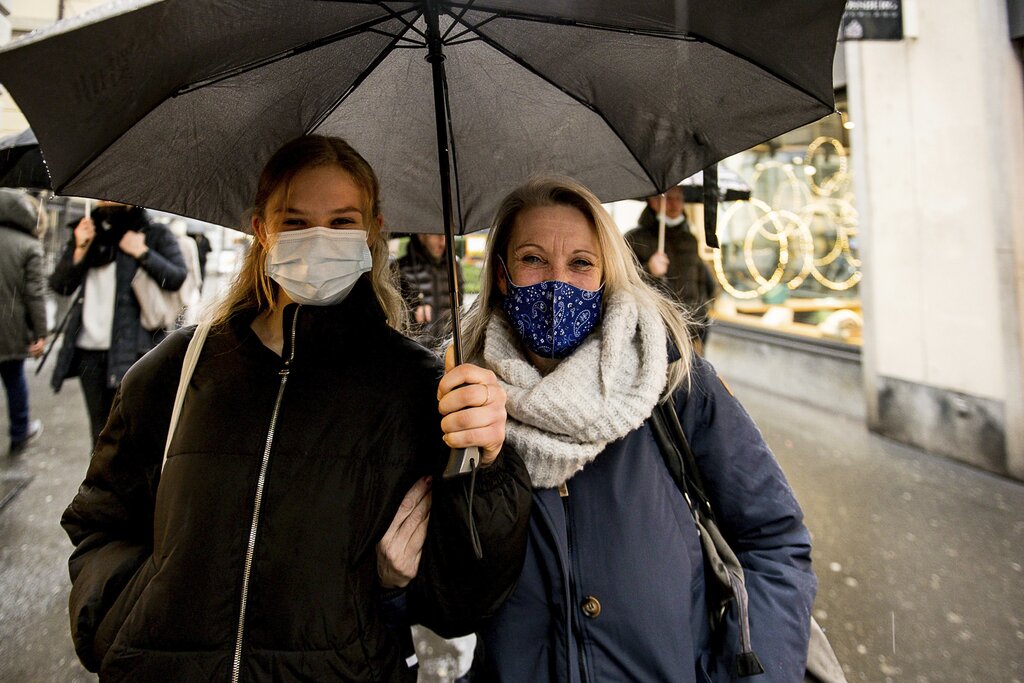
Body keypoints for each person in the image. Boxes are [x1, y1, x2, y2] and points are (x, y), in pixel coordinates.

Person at [60, 135, 532, 682]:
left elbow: (464, 598)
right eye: (294, 221)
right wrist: (123, 619)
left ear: (372, 230)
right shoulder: (177, 370)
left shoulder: (417, 389)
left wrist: (486, 467)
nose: (318, 239)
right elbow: (101, 521)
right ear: (261, 228)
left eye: (341, 222)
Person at [456, 176, 816, 682]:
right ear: (501, 275)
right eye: (533, 259)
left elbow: (773, 538)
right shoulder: (463, 401)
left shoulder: (669, 377)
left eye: (581, 263)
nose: (557, 282)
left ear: (607, 274)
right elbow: (445, 597)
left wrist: (754, 675)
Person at [49, 202, 187, 446]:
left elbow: (176, 278)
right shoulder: (87, 231)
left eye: (110, 196)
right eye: (100, 196)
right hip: (88, 352)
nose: (105, 200)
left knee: (133, 433)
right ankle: (100, 483)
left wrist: (142, 252)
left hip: (134, 350)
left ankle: (133, 482)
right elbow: (61, 285)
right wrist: (80, 247)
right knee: (100, 435)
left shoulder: (153, 233)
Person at [624, 185, 717, 345]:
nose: (674, 204)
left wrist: (702, 315)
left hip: (691, 332)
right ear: (653, 201)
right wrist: (649, 270)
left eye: (679, 198)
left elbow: (701, 282)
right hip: (655, 333)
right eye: (668, 198)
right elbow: (622, 282)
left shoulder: (690, 240)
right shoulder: (634, 239)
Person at [0, 189, 46, 456]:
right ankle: (20, 431)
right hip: (10, 325)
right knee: (14, 378)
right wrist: (41, 332)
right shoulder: (29, 246)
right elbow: (35, 293)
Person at [397, 232, 464, 349]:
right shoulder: (400, 267)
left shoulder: (453, 265)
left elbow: (461, 307)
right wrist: (413, 313)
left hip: (449, 347)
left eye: (445, 234)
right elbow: (394, 316)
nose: (442, 240)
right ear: (421, 236)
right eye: (436, 233)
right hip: (417, 350)